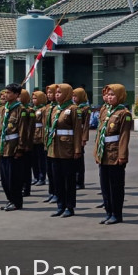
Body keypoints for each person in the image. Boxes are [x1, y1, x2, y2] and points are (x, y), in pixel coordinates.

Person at [95, 84, 131, 225]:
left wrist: (122, 155)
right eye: (108, 95)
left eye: (112, 94)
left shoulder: (124, 113)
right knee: (105, 185)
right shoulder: (105, 110)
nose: (109, 97)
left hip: (115, 153)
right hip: (103, 153)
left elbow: (124, 136)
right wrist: (97, 152)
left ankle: (117, 214)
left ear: (120, 96)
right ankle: (108, 212)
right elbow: (99, 132)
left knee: (115, 186)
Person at [0, 84, 33, 212]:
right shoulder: (3, 109)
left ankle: (16, 202)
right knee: (5, 179)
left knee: (14, 179)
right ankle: (10, 200)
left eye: (9, 93)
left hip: (14, 148)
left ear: (17, 95)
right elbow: (0, 128)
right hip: (3, 148)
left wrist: (20, 148)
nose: (6, 95)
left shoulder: (21, 110)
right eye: (5, 92)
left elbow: (23, 131)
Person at [49, 84, 81, 217]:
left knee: (69, 180)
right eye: (56, 92)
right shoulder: (56, 109)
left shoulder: (73, 109)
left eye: (59, 92)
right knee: (57, 179)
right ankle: (60, 205)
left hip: (67, 149)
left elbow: (77, 130)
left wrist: (77, 149)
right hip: (55, 149)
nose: (57, 95)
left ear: (67, 94)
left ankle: (69, 206)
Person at [30, 90, 50, 188]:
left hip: (40, 136)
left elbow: (44, 124)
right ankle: (36, 176)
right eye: (33, 98)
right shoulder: (33, 109)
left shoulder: (43, 110)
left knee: (41, 158)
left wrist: (43, 136)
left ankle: (42, 177)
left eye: (36, 98)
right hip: (33, 136)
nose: (34, 100)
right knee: (33, 159)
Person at [73, 88, 91, 190]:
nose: (74, 98)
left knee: (79, 160)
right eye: (73, 96)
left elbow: (86, 125)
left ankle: (80, 181)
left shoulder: (85, 108)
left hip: (80, 135)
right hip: (74, 135)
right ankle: (75, 180)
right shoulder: (74, 107)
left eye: (75, 96)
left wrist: (84, 138)